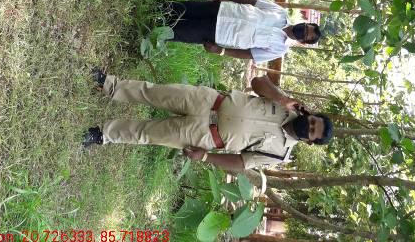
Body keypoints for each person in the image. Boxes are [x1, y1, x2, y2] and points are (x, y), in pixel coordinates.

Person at [83, 70, 333, 170]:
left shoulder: (279, 154)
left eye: (312, 131)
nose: (309, 125)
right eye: (313, 121)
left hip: (204, 135)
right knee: (154, 92)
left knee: (147, 134)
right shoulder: (286, 104)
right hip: (208, 101)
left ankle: (103, 134)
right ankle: (110, 85)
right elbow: (257, 82)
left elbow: (242, 163)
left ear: (310, 141)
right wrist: (281, 97)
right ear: (311, 114)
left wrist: (205, 157)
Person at [157, 0, 322, 61]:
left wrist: (220, 51)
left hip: (219, 33)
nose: (302, 30)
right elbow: (253, 2)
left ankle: (149, 29)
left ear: (302, 41)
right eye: (305, 27)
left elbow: (249, 54)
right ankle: (150, 7)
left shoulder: (279, 50)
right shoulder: (281, 13)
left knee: (176, 31)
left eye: (305, 34)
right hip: (222, 9)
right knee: (180, 7)